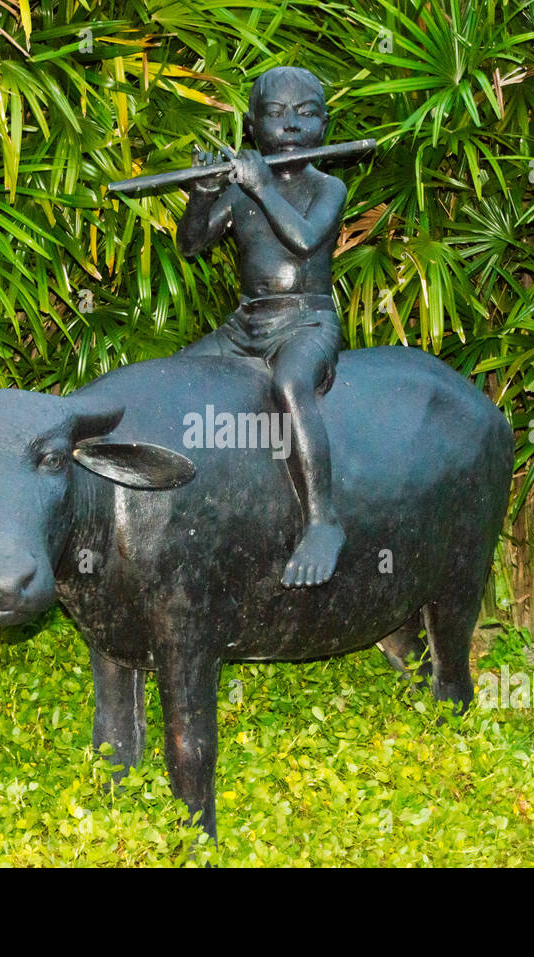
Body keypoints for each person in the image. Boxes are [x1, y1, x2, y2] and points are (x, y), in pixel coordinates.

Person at [175, 66, 347, 588]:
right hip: (246, 324)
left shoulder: (327, 186)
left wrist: (264, 185)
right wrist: (204, 195)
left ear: (325, 123)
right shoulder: (240, 189)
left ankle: (323, 522)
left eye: (305, 113)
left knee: (290, 385)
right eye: (274, 114)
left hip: (306, 320)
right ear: (251, 127)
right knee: (174, 379)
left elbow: (304, 240)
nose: (290, 125)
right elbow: (191, 245)